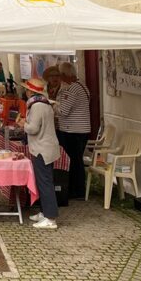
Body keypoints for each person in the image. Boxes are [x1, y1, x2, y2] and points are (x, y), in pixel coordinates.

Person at [17, 76, 61, 229]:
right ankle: (45, 212)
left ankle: (50, 218)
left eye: (27, 90)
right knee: (43, 182)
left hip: (42, 148)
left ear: (30, 92)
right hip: (45, 147)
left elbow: (33, 128)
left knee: (45, 183)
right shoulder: (44, 103)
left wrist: (24, 124)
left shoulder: (36, 106)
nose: (25, 92)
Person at [54, 62, 91, 200]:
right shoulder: (83, 86)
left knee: (73, 161)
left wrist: (53, 105)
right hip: (82, 129)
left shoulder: (71, 90)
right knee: (77, 160)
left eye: (60, 75)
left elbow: (63, 111)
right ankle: (78, 189)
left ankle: (76, 190)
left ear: (65, 75)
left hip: (72, 130)